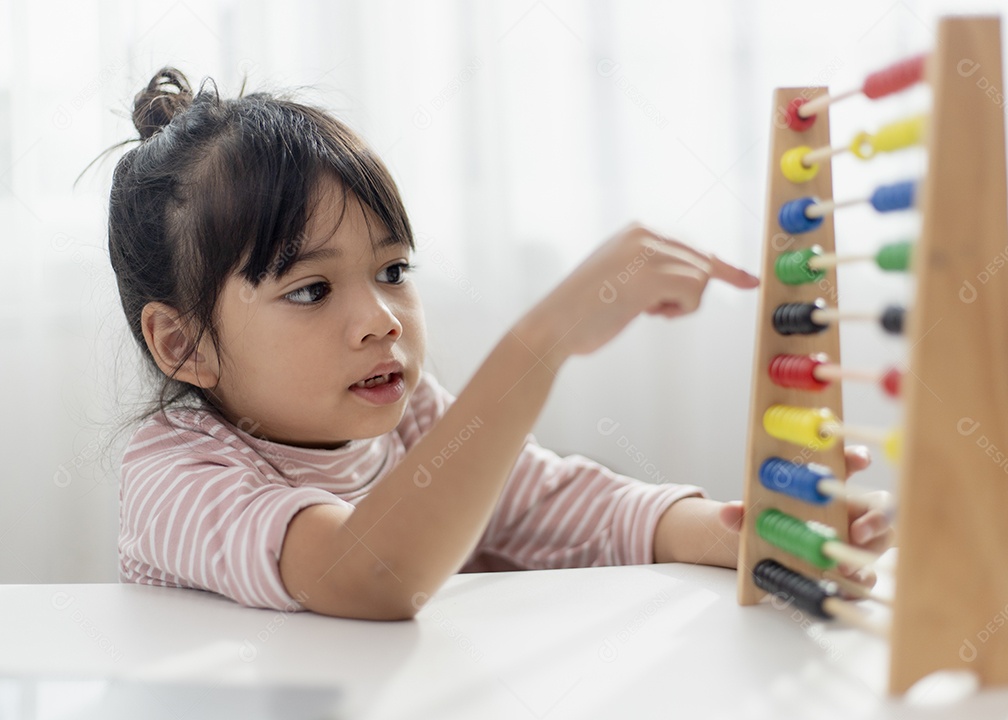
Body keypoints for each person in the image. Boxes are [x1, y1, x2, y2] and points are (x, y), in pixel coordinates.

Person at [110, 68, 891, 620]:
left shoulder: (412, 416)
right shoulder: (174, 472)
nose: (382, 317)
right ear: (182, 345)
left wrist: (745, 532)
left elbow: (569, 507)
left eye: (392, 269)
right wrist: (539, 345)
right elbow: (372, 576)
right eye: (311, 289)